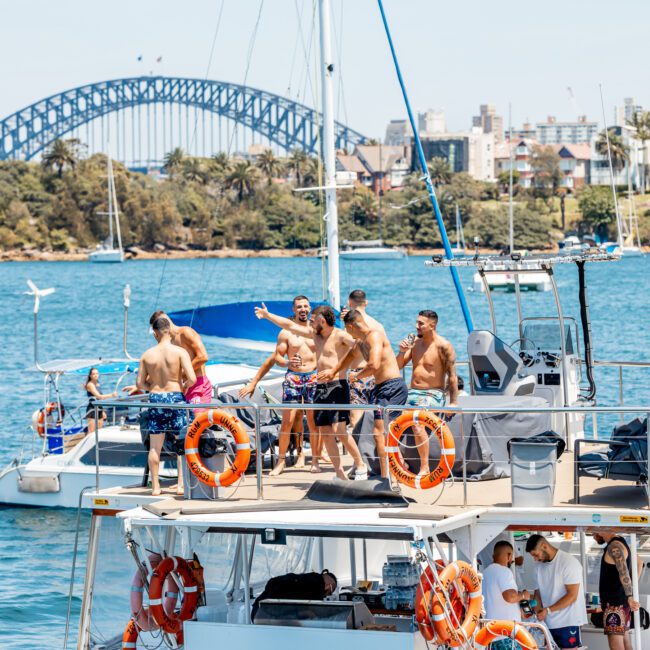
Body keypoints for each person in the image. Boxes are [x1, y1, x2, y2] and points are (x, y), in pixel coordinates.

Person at [255, 303, 367, 480]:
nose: (310, 324)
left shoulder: (340, 336)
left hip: (337, 386)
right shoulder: (316, 336)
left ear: (322, 321)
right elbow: (289, 325)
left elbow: (360, 349)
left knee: (340, 430)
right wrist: (268, 316)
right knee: (326, 432)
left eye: (313, 321)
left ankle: (360, 465)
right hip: (320, 388)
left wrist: (341, 369)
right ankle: (339, 474)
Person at [240, 296, 321, 475]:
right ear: (293, 309)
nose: (303, 309)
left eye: (306, 306)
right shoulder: (286, 333)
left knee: (314, 422)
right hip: (293, 378)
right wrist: (287, 363)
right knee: (287, 422)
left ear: (310, 308)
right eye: (299, 306)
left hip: (313, 377)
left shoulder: (316, 330)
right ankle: (281, 461)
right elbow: (276, 357)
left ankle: (314, 460)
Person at [326, 309, 408, 478]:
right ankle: (390, 469)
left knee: (380, 433)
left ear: (350, 326)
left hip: (392, 387)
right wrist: (332, 372)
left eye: (346, 329)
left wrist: (357, 376)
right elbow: (348, 358)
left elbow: (374, 365)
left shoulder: (374, 336)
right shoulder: (360, 342)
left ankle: (386, 478)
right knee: (371, 432)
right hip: (379, 389)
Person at [137, 316, 196, 496]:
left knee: (155, 446)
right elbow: (192, 379)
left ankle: (155, 487)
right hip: (176, 396)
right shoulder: (179, 352)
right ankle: (180, 485)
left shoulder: (147, 355)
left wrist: (153, 388)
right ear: (169, 331)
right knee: (181, 444)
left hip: (156, 399)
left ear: (155, 333)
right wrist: (182, 387)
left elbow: (140, 384)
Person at [396, 310, 458, 475]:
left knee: (417, 424)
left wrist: (453, 402)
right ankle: (400, 462)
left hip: (433, 394)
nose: (416, 326)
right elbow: (398, 366)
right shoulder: (415, 343)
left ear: (433, 325)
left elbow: (452, 376)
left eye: (420, 324)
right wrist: (402, 351)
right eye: (417, 322)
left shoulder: (444, 346)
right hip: (413, 393)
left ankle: (425, 467)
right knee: (388, 417)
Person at [526, 534, 588, 649]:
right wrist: (536, 611)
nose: (535, 559)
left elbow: (572, 595)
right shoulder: (538, 566)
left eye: (536, 555)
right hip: (548, 622)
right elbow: (537, 596)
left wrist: (548, 610)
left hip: (569, 621)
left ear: (544, 546)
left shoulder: (569, 562)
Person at [340, 290, 385, 434]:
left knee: (356, 419)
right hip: (375, 374)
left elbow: (350, 348)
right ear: (366, 303)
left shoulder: (351, 325)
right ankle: (372, 453)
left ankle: (359, 455)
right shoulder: (378, 325)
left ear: (349, 303)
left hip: (357, 374)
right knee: (374, 418)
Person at [149, 310, 211, 412]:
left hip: (198, 386)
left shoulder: (186, 332)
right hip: (182, 389)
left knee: (195, 421)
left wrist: (181, 374)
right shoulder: (168, 343)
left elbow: (203, 357)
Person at [593, 532, 641, 649]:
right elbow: (640, 562)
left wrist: (629, 595)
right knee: (626, 643)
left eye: (593, 532)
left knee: (617, 646)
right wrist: (629, 594)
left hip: (614, 606)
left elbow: (623, 572)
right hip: (622, 604)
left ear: (600, 529)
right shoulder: (621, 542)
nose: (593, 536)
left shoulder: (614, 546)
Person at [482, 541, 531, 649]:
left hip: (490, 634)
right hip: (506, 634)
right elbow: (510, 597)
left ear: (493, 556)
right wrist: (523, 595)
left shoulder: (485, 573)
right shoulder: (504, 571)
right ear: (509, 555)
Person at [251, 569, 337, 622]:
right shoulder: (317, 586)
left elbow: (272, 582)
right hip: (270, 616)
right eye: (330, 592)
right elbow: (312, 613)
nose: (326, 596)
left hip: (257, 611)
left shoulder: (306, 578)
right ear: (330, 586)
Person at [84, 367, 118, 432]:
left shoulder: (98, 384)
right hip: (92, 409)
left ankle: (97, 442)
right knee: (91, 432)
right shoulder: (90, 385)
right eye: (93, 374)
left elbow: (99, 400)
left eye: (97, 373)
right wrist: (111, 395)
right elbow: (99, 397)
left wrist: (102, 411)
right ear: (90, 376)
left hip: (99, 408)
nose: (96, 375)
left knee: (99, 431)